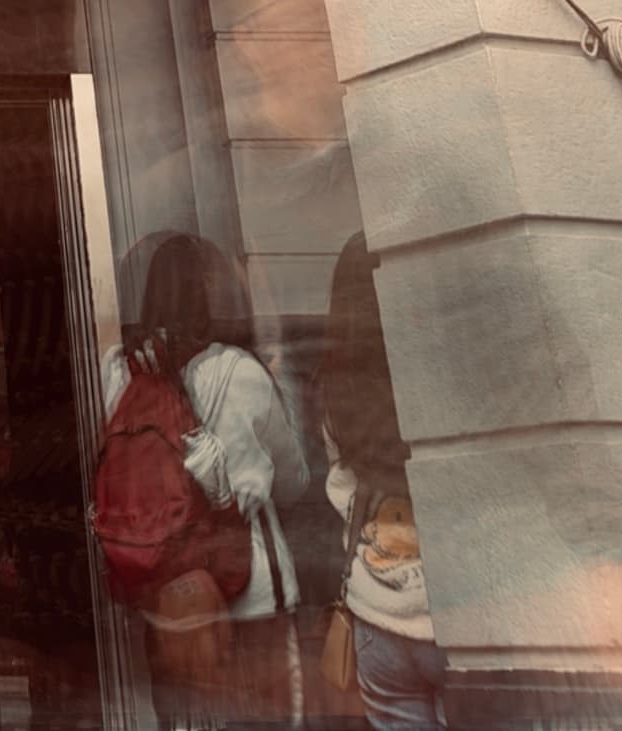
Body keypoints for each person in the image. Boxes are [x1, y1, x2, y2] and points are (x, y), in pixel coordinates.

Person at [102, 234, 309, 728]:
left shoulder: (121, 375)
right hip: (252, 596)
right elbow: (294, 483)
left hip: (169, 602)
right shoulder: (241, 372)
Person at [322, 237, 441, 731]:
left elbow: (340, 488)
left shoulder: (335, 388)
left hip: (376, 616)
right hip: (451, 614)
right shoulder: (434, 377)